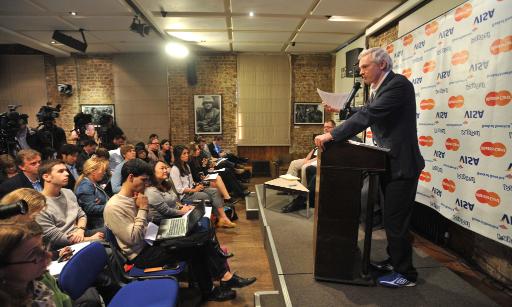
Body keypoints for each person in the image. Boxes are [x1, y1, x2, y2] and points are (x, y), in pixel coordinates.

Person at [314, 47, 425, 288]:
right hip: (388, 165)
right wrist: (345, 111)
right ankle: (394, 261)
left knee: (396, 224)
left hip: (402, 167)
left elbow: (371, 114)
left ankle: (406, 274)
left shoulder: (398, 85)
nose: (360, 71)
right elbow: (368, 112)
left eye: (365, 67)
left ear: (382, 65)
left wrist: (332, 135)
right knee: (390, 219)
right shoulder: (381, 88)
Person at [103, 159, 256, 302]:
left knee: (200, 232)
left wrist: (153, 219)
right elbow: (133, 238)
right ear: (130, 177)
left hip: (154, 237)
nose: (146, 185)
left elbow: (147, 224)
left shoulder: (136, 196)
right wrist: (143, 209)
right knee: (198, 245)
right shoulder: (114, 206)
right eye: (143, 180)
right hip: (142, 254)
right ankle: (215, 285)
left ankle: (220, 279)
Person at [36, 160, 104, 249]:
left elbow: (81, 215)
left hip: (80, 232)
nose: (67, 174)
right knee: (107, 250)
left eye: (66, 170)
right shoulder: (39, 205)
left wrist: (80, 230)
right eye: (61, 171)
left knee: (113, 230)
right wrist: (90, 239)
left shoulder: (68, 192)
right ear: (46, 177)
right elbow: (56, 238)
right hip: (64, 246)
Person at [170, 145, 236, 228]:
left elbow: (191, 181)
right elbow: (179, 189)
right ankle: (217, 218)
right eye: (184, 153)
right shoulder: (175, 170)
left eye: (187, 153)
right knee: (206, 196)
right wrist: (194, 190)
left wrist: (198, 185)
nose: (187, 155)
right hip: (185, 196)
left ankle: (223, 218)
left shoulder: (186, 166)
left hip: (193, 189)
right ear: (178, 156)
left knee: (215, 191)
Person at [281, 120, 335, 213]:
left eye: (328, 127)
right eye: (325, 127)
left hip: (317, 160)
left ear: (333, 128)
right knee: (294, 163)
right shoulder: (321, 137)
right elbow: (314, 150)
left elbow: (321, 156)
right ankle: (288, 188)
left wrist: (309, 161)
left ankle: (302, 190)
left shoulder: (331, 139)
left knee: (305, 167)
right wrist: (307, 158)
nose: (326, 128)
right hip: (311, 159)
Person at [75, 157, 110, 231]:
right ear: (93, 171)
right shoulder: (86, 186)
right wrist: (111, 206)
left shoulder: (92, 183)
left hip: (103, 221)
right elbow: (90, 209)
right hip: (96, 226)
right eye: (102, 171)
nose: (104, 173)